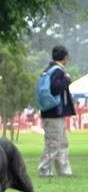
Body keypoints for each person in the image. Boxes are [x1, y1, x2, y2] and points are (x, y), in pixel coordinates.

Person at [38, 45, 75, 177]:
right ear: (65, 57)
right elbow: (55, 88)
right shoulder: (58, 71)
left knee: (62, 142)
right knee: (53, 142)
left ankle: (64, 170)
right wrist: (67, 79)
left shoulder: (48, 69)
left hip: (50, 112)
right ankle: (44, 170)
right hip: (55, 113)